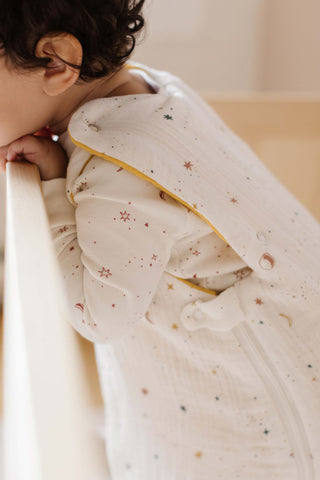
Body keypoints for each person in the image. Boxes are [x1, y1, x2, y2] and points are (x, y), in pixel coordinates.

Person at [1, 1, 320, 478]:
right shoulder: (153, 91)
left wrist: (52, 193)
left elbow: (100, 315)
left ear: (55, 63)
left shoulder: (116, 166)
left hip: (244, 405)